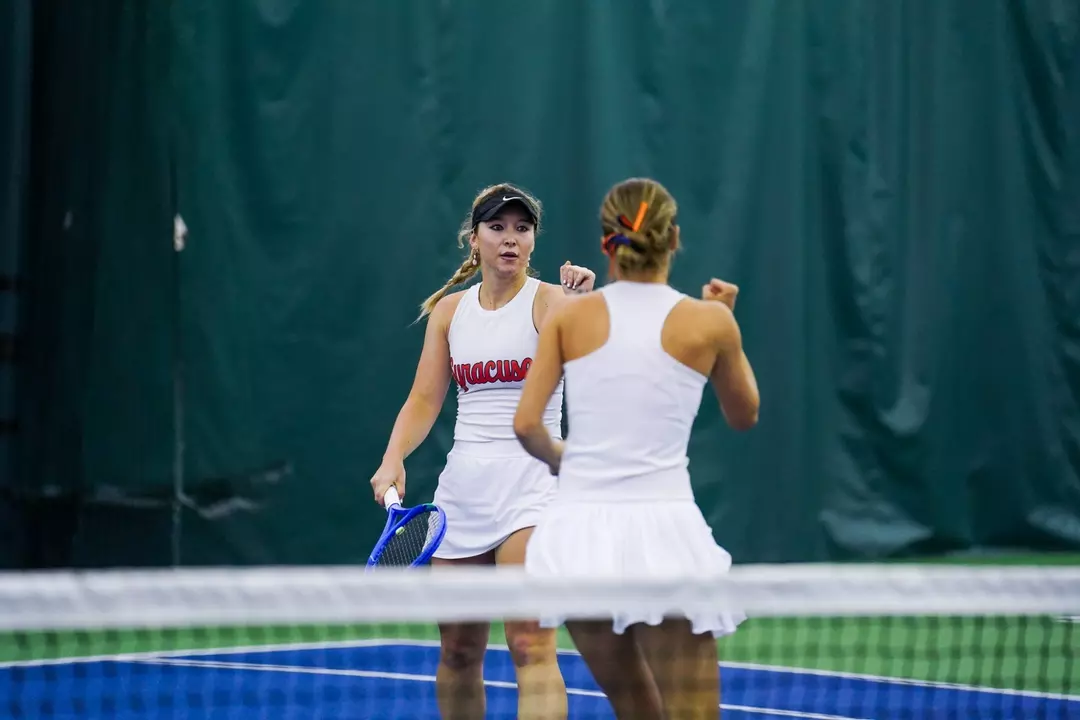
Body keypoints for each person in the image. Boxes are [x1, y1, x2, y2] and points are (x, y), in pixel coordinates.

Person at [512, 177, 760, 719]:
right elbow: (745, 415)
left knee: (636, 710)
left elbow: (528, 426)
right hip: (665, 535)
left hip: (576, 539)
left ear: (608, 243)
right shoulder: (711, 320)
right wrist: (726, 324)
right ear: (673, 237)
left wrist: (571, 464)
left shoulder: (569, 317)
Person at [369, 182, 596, 720]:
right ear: (475, 239)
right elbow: (424, 399)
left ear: (535, 241)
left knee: (529, 643)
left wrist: (584, 308)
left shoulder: (553, 301)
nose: (510, 239)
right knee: (458, 649)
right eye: (497, 227)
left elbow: (594, 360)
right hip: (463, 493)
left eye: (522, 228)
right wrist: (392, 457)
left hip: (534, 490)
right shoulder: (450, 312)